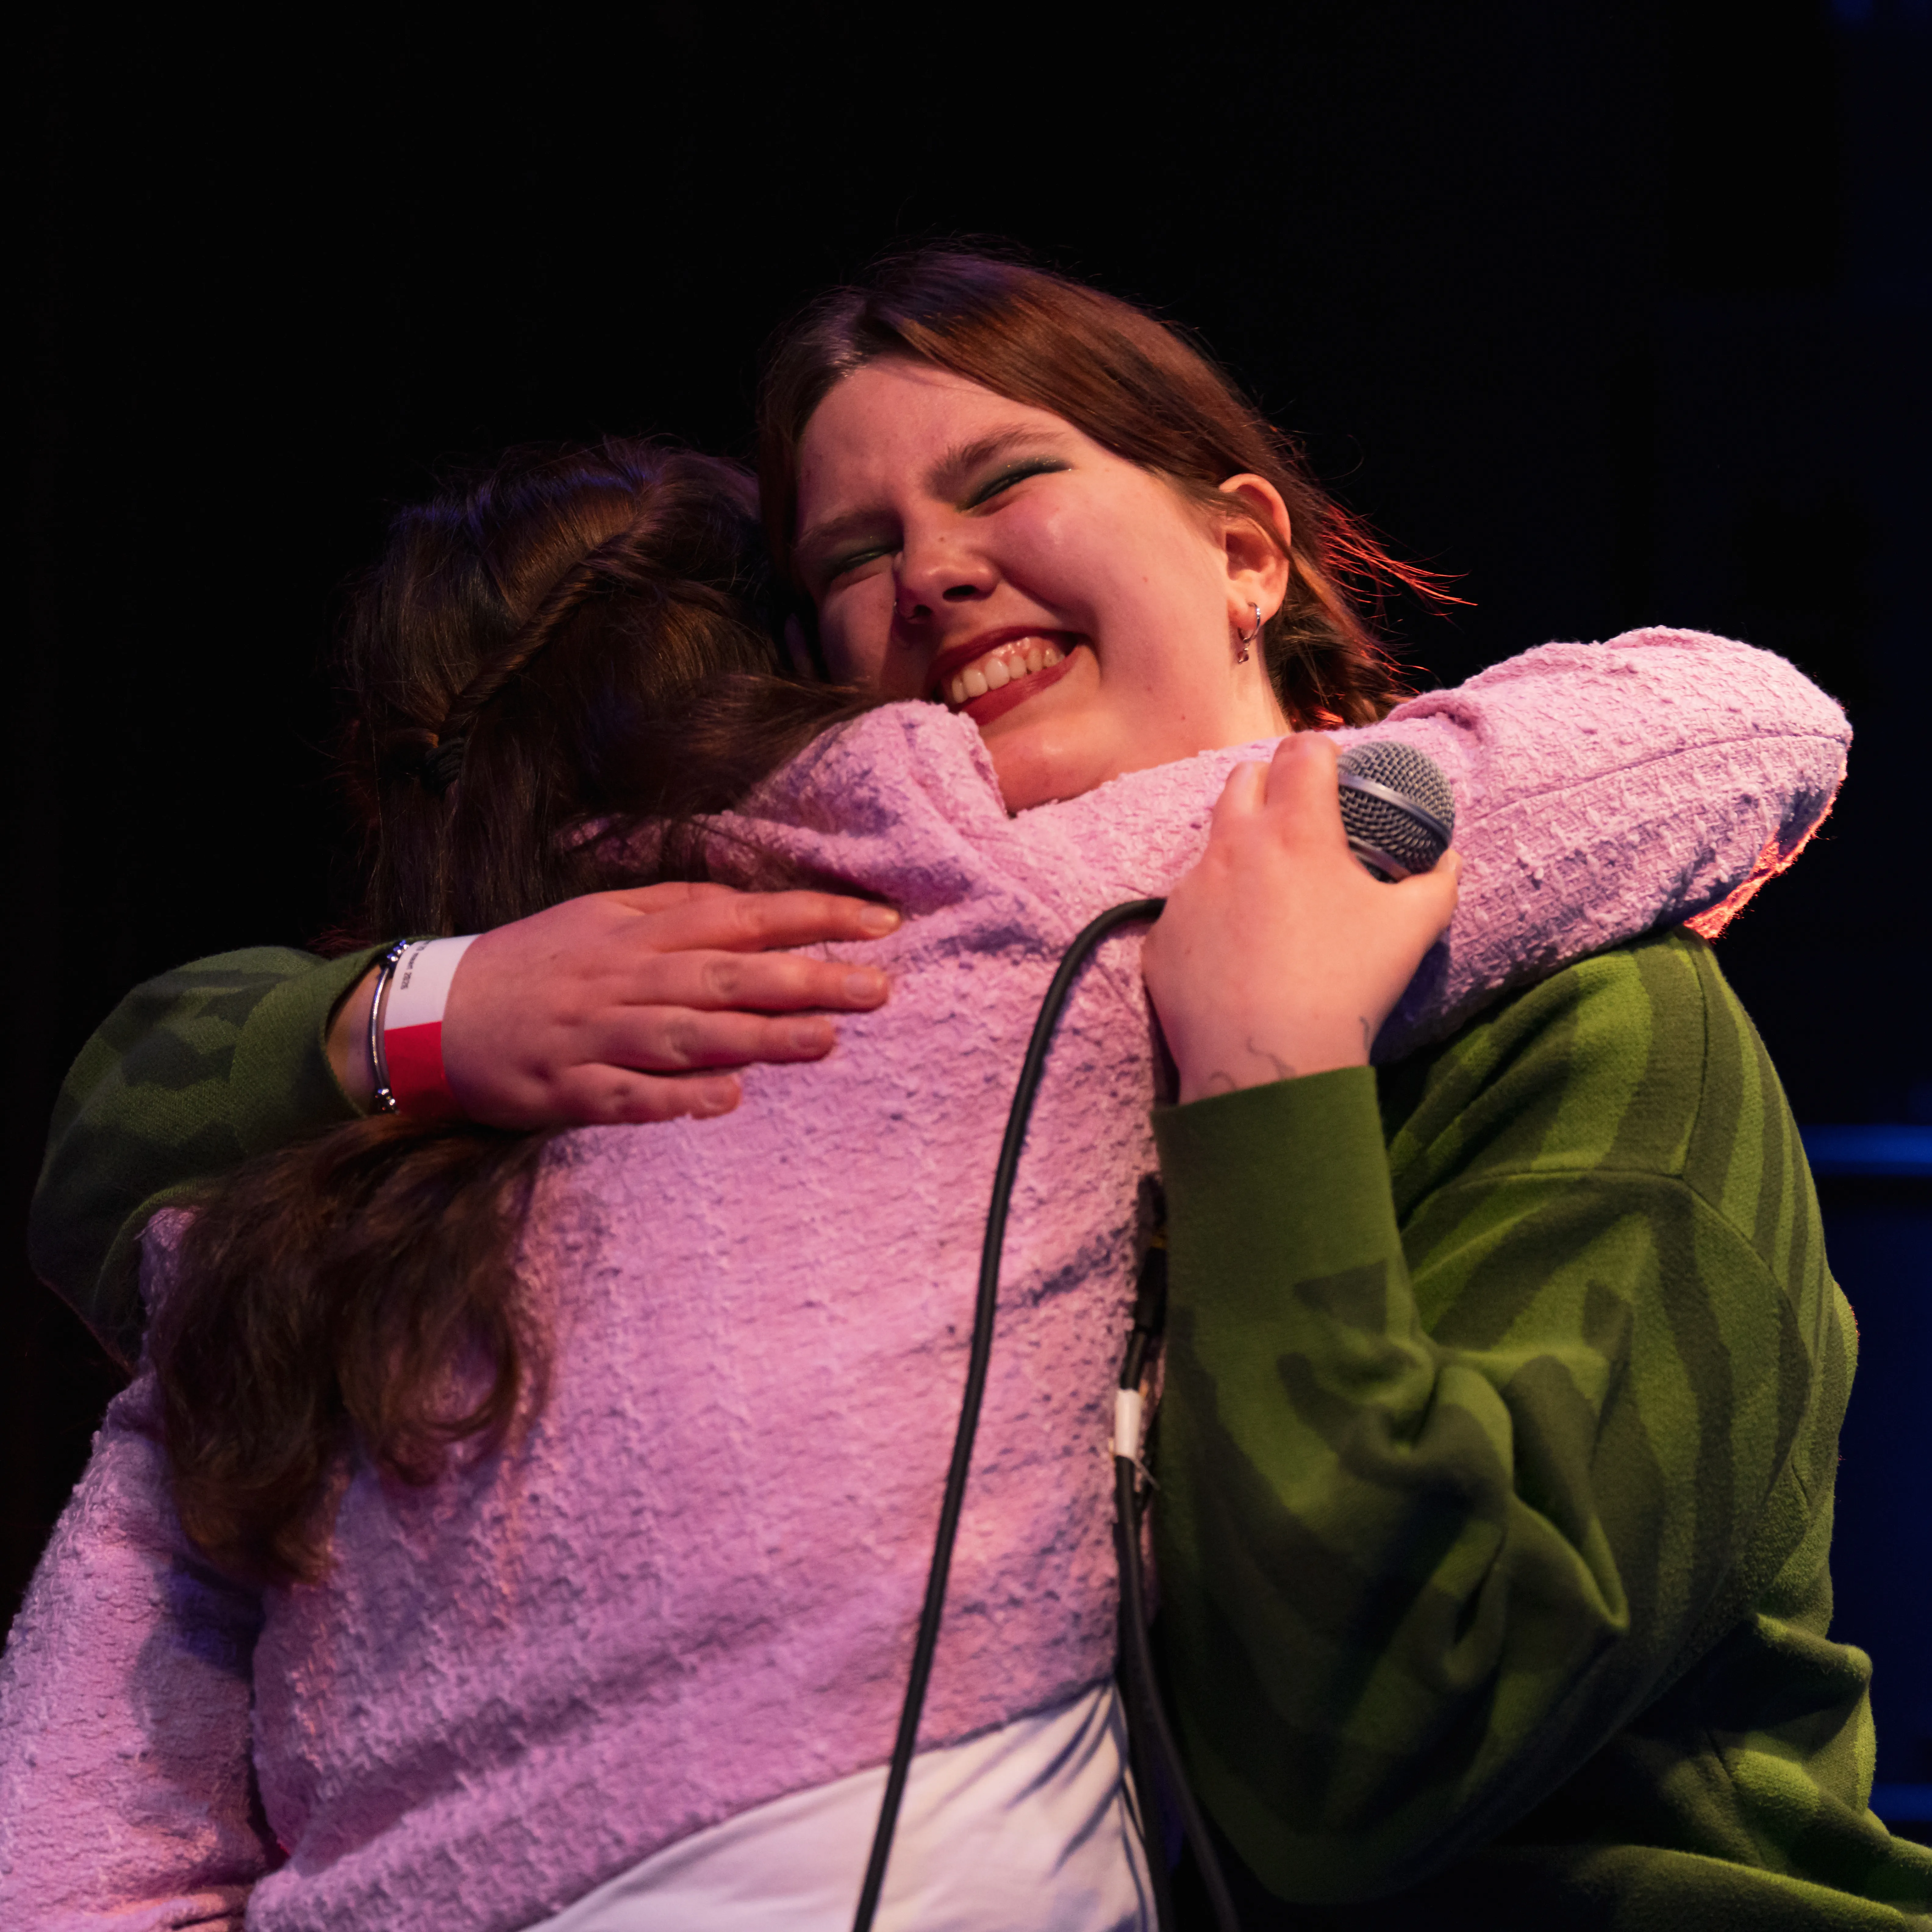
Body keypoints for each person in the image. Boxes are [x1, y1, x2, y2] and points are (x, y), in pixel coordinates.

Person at [1, 249, 1901, 1932]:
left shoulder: (1588, 1015)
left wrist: (1269, 1077)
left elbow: (1367, 1769)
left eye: (1005, 483)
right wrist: (432, 1006)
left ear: (1246, 553)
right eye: (848, 557)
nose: (932, 571)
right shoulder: (790, 1023)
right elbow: (120, 1163)